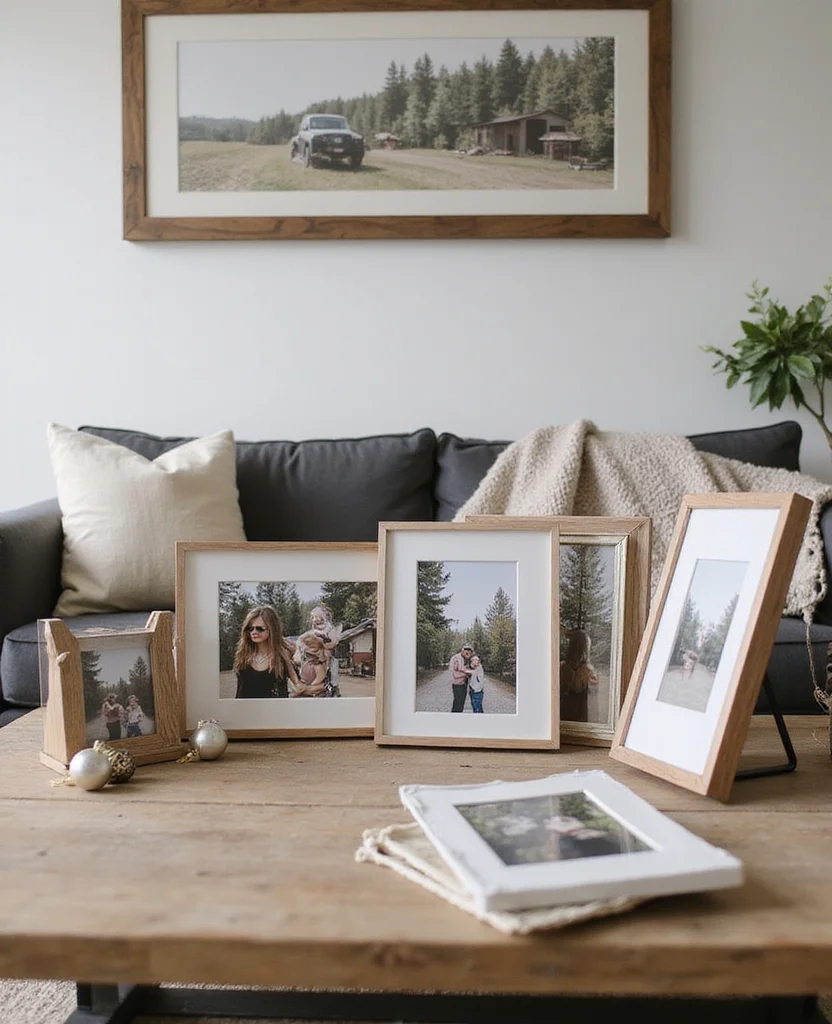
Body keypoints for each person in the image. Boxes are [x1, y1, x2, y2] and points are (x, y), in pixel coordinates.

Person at [234, 606, 299, 699]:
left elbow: (300, 686)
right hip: (246, 711)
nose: (254, 632)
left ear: (272, 629)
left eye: (260, 628)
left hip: (275, 711)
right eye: (250, 628)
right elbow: (240, 691)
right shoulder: (243, 655)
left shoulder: (283, 655)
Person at [560, 628, 599, 723]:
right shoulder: (589, 672)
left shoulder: (561, 668)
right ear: (586, 647)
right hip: (578, 719)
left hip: (565, 717)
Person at [308, 604, 343, 698]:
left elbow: (331, 641)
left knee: (332, 673)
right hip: (319, 658)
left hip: (330, 657)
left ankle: (334, 689)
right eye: (313, 617)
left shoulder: (330, 628)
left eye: (318, 617)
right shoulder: (314, 630)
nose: (315, 619)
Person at [290, 633, 329, 698]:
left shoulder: (318, 665)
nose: (305, 649)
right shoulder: (307, 662)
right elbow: (301, 666)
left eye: (310, 647)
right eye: (305, 646)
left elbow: (319, 679)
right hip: (304, 686)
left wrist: (306, 688)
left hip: (312, 693)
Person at [449, 643, 475, 713]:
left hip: (463, 685)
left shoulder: (465, 659)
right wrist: (468, 673)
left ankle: (458, 720)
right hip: (457, 685)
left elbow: (467, 669)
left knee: (461, 705)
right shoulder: (456, 658)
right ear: (462, 650)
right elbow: (454, 674)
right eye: (466, 651)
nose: (468, 653)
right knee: (457, 704)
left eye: (470, 652)